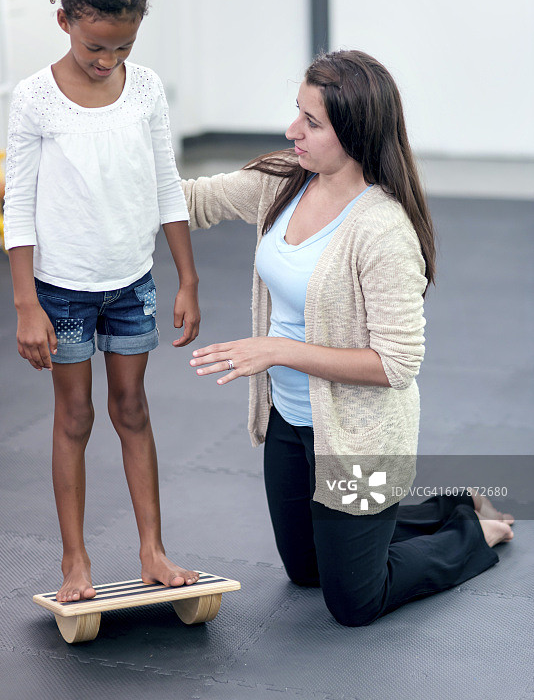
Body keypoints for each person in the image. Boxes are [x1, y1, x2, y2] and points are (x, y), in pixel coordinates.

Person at [182, 50, 514, 626]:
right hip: (290, 422)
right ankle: (447, 503)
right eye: (297, 114)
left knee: (353, 601)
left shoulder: (383, 229)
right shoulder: (284, 181)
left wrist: (277, 350)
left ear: (354, 132)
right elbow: (192, 200)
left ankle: (474, 533)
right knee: (304, 572)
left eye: (312, 123)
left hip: (362, 439)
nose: (292, 131)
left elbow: (396, 363)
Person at [4, 0, 200, 602]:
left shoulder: (143, 91)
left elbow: (166, 183)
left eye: (123, 47)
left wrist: (188, 277)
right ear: (64, 20)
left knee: (133, 408)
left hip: (131, 282)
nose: (108, 60)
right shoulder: (33, 100)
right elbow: (18, 206)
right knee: (75, 417)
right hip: (59, 290)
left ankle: (153, 548)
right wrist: (26, 303)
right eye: (96, 47)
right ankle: (74, 562)